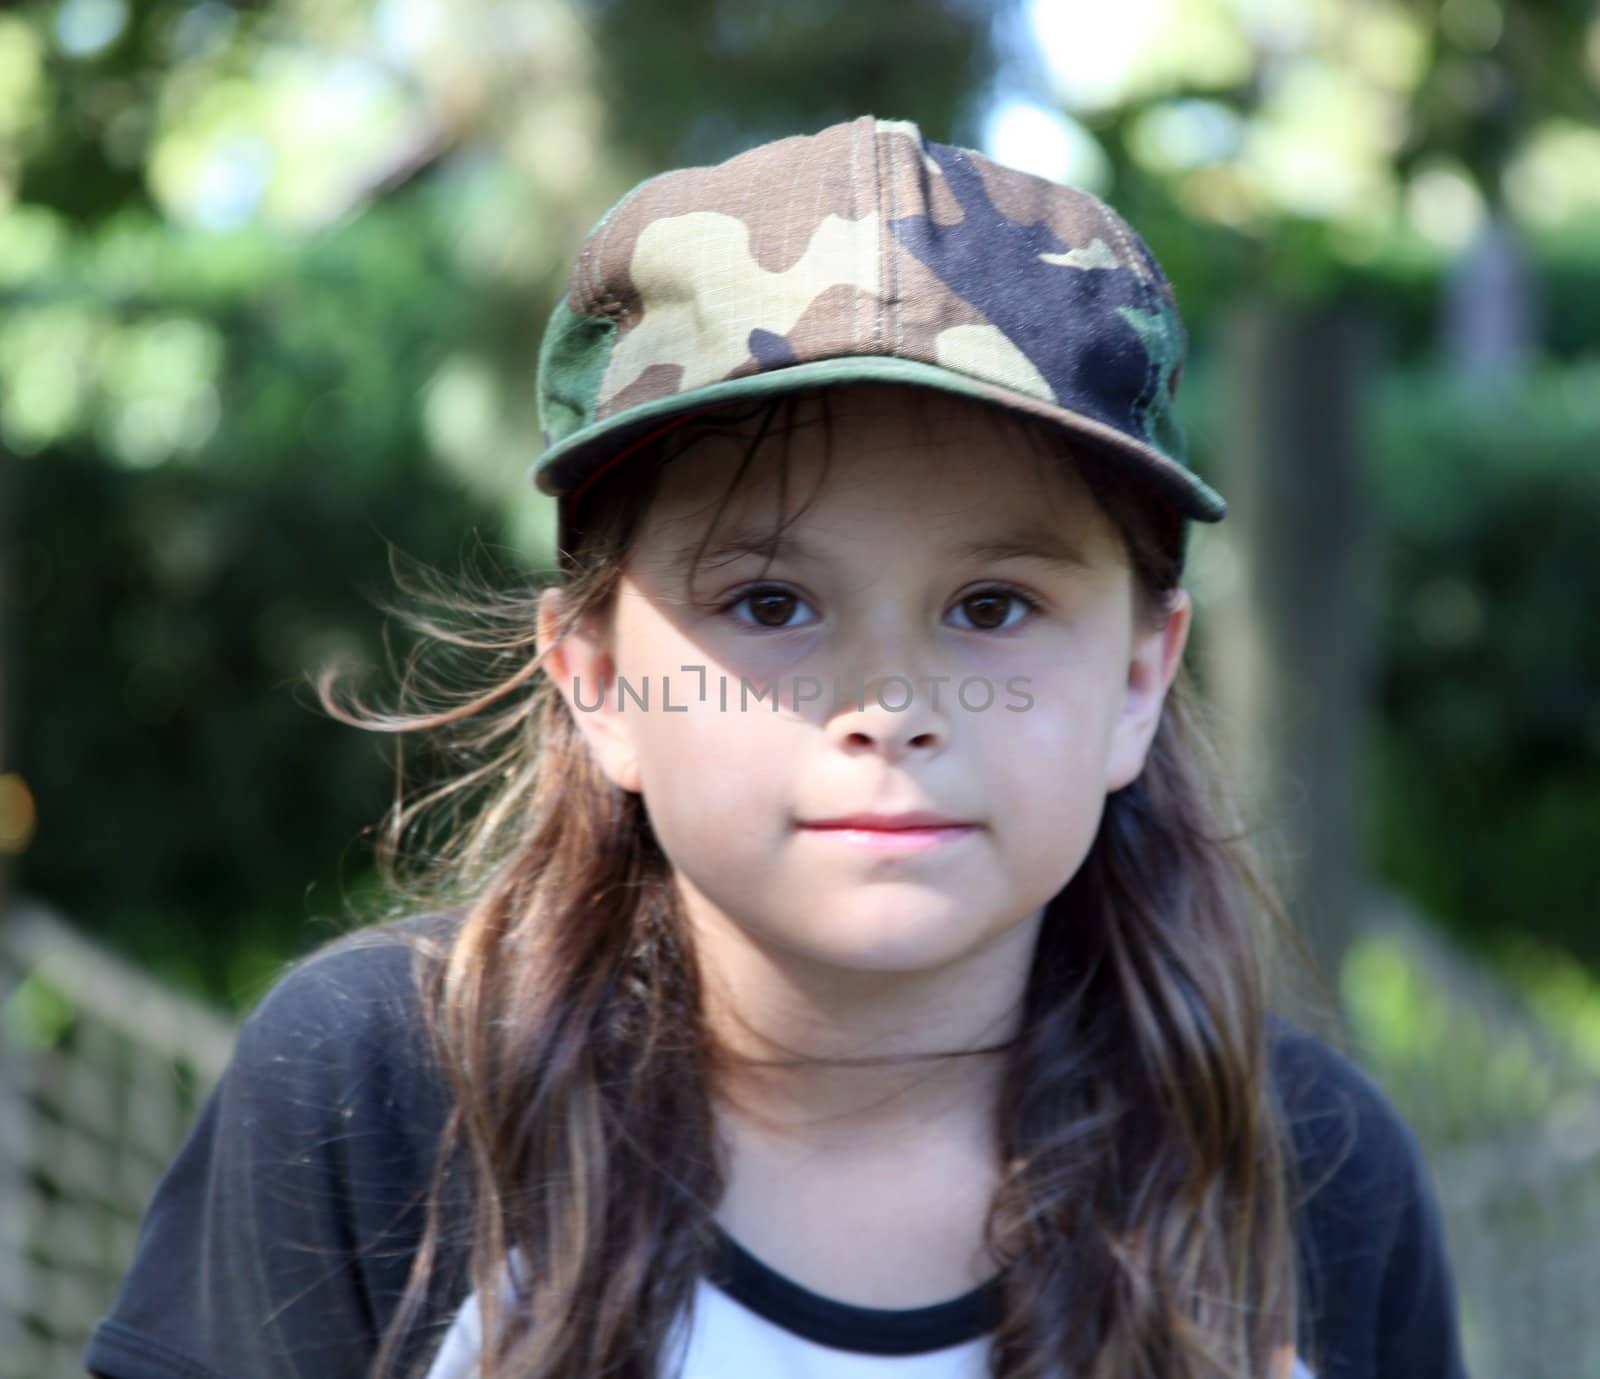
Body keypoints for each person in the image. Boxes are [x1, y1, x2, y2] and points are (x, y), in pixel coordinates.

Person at [82, 115, 1470, 1379]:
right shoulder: (386, 1093)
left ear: (1137, 681)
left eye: (993, 607)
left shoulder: (1306, 1177)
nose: (890, 701)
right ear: (601, 678)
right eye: (770, 603)